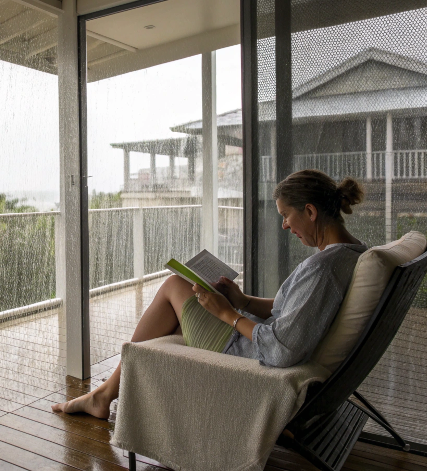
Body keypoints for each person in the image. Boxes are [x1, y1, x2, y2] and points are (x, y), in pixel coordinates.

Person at [52, 169, 367, 420]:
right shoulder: (350, 254)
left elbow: (281, 350)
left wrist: (227, 314)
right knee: (174, 323)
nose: (284, 225)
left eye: (286, 215)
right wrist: (241, 301)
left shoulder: (322, 270)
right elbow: (293, 311)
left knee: (174, 286)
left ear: (310, 211)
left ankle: (105, 396)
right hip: (255, 338)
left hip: (248, 355)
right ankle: (109, 395)